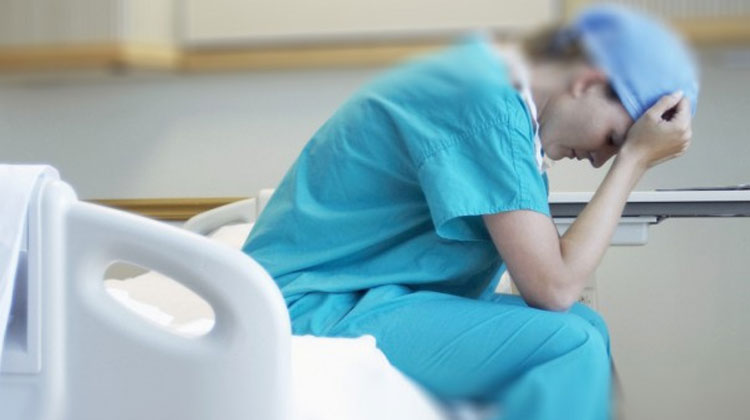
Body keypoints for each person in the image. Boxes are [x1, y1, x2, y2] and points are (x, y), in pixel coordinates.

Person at [243, 4, 699, 420]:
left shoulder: (494, 96)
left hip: (360, 294)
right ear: (587, 80)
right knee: (567, 346)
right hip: (305, 307)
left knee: (587, 327)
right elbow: (554, 287)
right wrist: (634, 162)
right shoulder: (485, 103)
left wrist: (629, 151)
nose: (602, 159)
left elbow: (552, 287)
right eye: (614, 140)